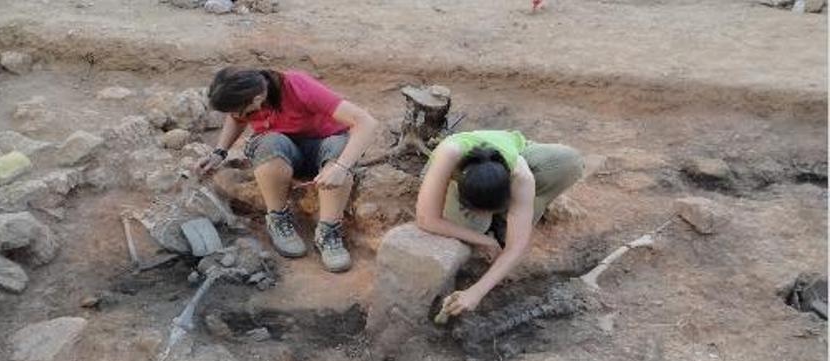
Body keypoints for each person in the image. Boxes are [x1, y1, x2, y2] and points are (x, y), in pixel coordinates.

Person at [193, 67, 378, 272]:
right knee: (269, 143)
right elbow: (235, 118)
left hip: (325, 144)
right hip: (285, 151)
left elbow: (366, 122)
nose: (237, 116)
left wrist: (341, 166)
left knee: (340, 149)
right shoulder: (249, 100)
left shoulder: (297, 85)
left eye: (239, 111)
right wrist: (219, 152)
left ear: (257, 98)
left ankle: (328, 231)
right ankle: (278, 219)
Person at [416, 130, 583, 315]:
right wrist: (485, 240)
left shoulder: (521, 175)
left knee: (571, 162)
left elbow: (516, 247)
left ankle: (507, 221)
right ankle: (486, 223)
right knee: (473, 226)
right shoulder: (448, 153)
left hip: (518, 153)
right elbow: (427, 219)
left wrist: (476, 292)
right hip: (453, 175)